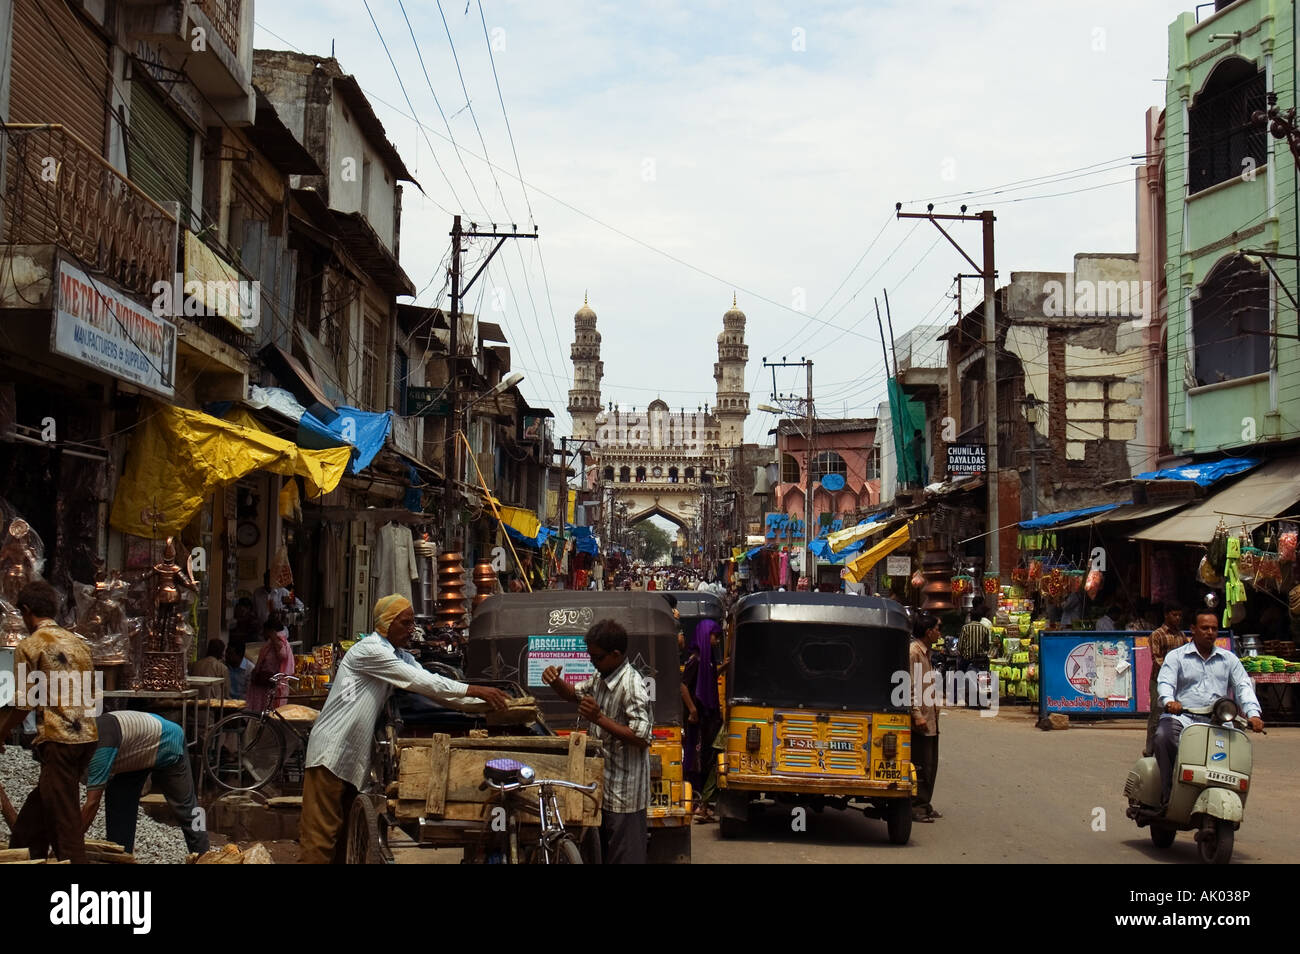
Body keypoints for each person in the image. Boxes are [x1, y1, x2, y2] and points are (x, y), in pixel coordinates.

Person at [299, 595, 508, 864]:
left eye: (412, 623)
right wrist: (475, 689)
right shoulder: (370, 650)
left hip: (350, 758)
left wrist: (487, 703)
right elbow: (420, 682)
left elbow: (436, 686)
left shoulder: (400, 655)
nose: (412, 629)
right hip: (329, 752)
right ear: (387, 624)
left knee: (343, 840)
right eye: (406, 623)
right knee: (319, 842)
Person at [0, 581, 99, 863]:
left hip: (60, 741)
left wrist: (2, 732)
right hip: (87, 737)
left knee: (65, 824)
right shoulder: (78, 643)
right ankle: (24, 853)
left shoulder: (31, 646)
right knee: (34, 819)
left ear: (26, 611)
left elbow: (23, 703)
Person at [542, 619, 652, 863]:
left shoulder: (631, 685)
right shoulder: (601, 675)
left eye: (598, 657)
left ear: (616, 654)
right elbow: (574, 694)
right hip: (601, 788)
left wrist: (599, 718)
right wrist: (555, 681)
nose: (592, 661)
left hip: (626, 795)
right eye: (590, 656)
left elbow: (643, 737)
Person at [1153, 608, 1263, 806]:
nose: (1210, 632)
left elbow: (1243, 687)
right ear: (1193, 629)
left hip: (1218, 721)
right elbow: (1165, 683)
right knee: (1163, 737)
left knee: (1238, 752)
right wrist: (1170, 701)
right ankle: (1167, 794)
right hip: (1182, 718)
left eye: (1214, 628)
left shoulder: (1229, 659)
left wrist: (1253, 714)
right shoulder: (1176, 657)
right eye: (1204, 628)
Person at [80, 711, 208, 855]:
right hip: (136, 749)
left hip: (169, 741)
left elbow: (92, 803)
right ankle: (120, 856)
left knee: (188, 808)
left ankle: (204, 854)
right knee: (119, 800)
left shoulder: (101, 747)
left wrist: (73, 841)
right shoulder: (86, 733)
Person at [681, 619, 722, 822]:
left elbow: (709, 679)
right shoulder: (695, 659)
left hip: (708, 718)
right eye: (714, 636)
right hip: (697, 719)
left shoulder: (708, 660)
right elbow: (683, 686)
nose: (716, 640)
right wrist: (692, 709)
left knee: (706, 757)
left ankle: (702, 804)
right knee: (697, 760)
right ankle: (697, 803)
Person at [908, 612, 942, 823]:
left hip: (931, 717)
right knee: (921, 764)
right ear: (929, 632)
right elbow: (909, 685)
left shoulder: (926, 652)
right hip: (921, 718)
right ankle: (916, 806)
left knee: (931, 764)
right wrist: (916, 714)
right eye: (938, 628)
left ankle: (925, 803)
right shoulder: (914, 653)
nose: (940, 633)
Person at [1143, 602, 1187, 758]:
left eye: (1179, 615)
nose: (1177, 618)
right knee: (1156, 714)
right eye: (1174, 615)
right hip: (1159, 681)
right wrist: (1171, 671)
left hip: (1178, 682)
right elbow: (1156, 658)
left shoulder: (1181, 636)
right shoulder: (1157, 635)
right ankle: (1150, 750)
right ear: (1166, 615)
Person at [246, 618, 294, 714]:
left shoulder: (281, 643)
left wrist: (274, 639)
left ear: (271, 631)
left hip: (274, 685)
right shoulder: (268, 644)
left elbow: (282, 656)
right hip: (264, 684)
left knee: (272, 713)